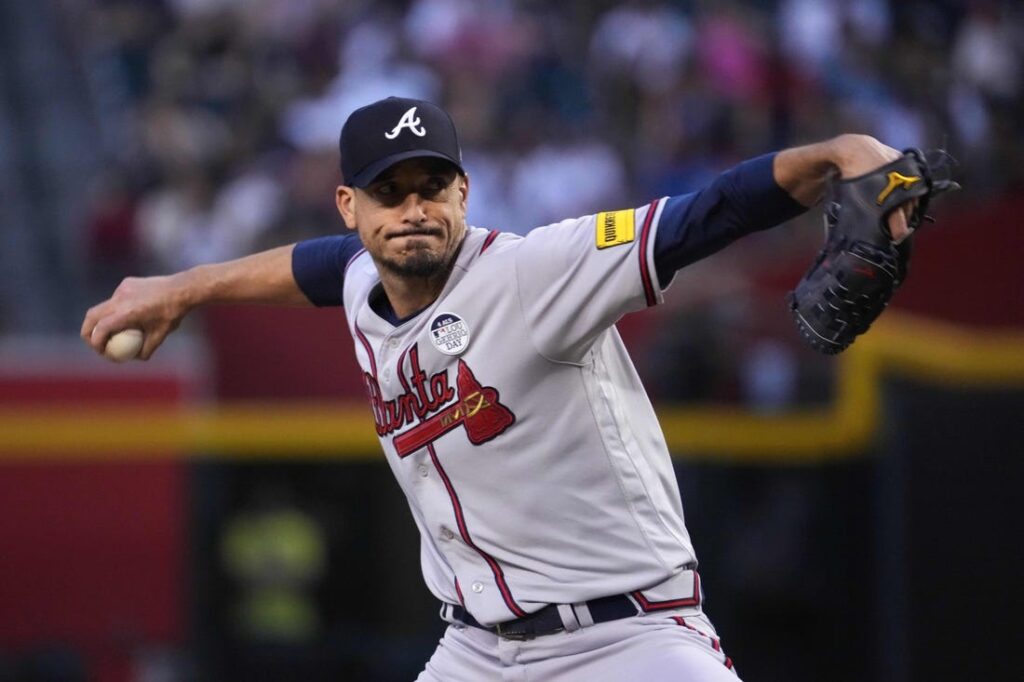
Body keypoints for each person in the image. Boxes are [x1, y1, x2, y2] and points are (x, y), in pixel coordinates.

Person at [82, 97, 918, 681]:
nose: (413, 210)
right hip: (476, 653)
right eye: (388, 192)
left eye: (431, 187)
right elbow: (308, 267)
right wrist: (181, 287)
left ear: (463, 192)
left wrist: (839, 154)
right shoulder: (357, 277)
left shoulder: (532, 271)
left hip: (625, 640)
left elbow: (707, 214)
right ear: (350, 207)